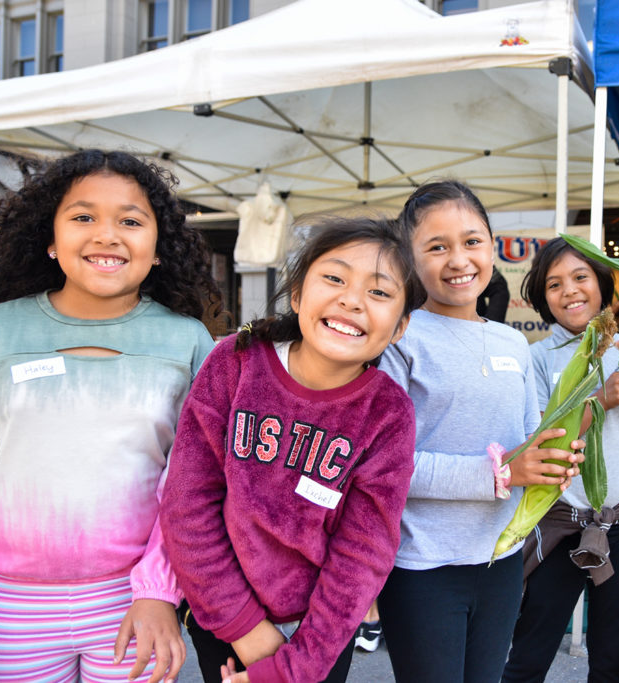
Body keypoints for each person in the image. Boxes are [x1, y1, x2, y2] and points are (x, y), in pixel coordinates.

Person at [0, 149, 222, 683]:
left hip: (135, 604)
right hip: (12, 606)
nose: (107, 234)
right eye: (83, 217)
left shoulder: (188, 343)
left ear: (158, 247)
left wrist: (161, 592)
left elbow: (194, 483)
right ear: (49, 239)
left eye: (131, 221)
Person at [159, 216, 425, 683]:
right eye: (335, 278)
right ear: (298, 294)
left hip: (316, 639)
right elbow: (187, 504)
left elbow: (363, 554)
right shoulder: (235, 363)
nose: (352, 299)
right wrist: (245, 629)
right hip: (222, 619)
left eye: (379, 292)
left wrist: (293, 667)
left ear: (400, 327)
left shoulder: (388, 413)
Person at [376, 180, 584, 683]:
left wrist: (555, 457)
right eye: (436, 246)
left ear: (492, 246)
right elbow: (386, 466)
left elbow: (530, 437)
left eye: (472, 241)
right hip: (421, 565)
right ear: (409, 257)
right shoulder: (399, 340)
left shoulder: (513, 342)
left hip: (502, 562)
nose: (458, 260)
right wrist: (503, 473)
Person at [502, 237, 619, 682]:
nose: (570, 292)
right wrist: (603, 397)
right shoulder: (537, 358)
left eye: (580, 278)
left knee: (610, 661)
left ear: (601, 284)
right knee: (528, 656)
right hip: (560, 521)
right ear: (542, 297)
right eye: (555, 284)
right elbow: (538, 444)